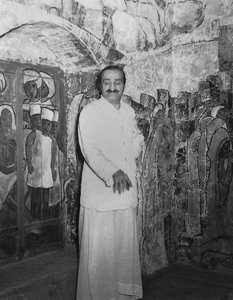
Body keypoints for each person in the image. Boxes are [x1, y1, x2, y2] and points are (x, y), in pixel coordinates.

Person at [77, 65, 144, 300]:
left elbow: (136, 137)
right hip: (100, 198)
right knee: (99, 260)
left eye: (117, 82)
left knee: (123, 255)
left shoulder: (128, 111)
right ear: (100, 85)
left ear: (124, 84)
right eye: (107, 82)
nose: (112, 87)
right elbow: (90, 150)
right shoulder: (90, 112)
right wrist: (113, 171)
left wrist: (130, 155)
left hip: (124, 196)